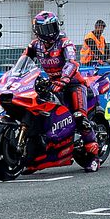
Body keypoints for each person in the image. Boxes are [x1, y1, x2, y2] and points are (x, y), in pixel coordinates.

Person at [17, 11, 101, 163]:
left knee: (79, 117)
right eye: (45, 29)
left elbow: (72, 62)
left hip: (73, 83)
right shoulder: (35, 45)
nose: (50, 32)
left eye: (53, 26)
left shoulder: (64, 42)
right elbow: (23, 61)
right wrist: (15, 75)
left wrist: (63, 80)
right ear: (37, 31)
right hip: (51, 83)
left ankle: (93, 157)